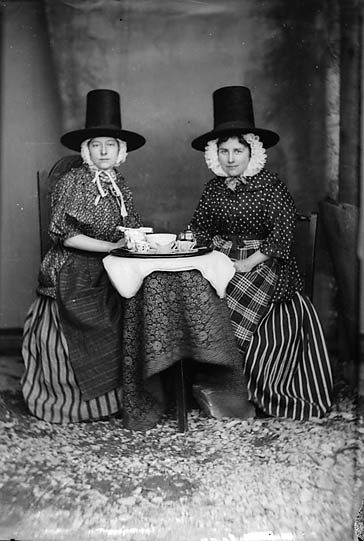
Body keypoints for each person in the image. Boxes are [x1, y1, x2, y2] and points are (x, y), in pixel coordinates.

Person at [189, 86, 333, 420]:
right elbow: (200, 226)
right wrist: (193, 243)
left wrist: (247, 262)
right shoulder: (213, 189)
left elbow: (282, 233)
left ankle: (250, 390)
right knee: (195, 294)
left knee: (240, 295)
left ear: (251, 152)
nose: (230, 158)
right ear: (215, 155)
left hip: (263, 262)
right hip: (221, 259)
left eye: (237, 150)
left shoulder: (271, 186)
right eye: (223, 151)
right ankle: (219, 385)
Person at [21, 89, 146, 423]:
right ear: (85, 149)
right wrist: (110, 248)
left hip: (108, 267)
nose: (102, 151)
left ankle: (109, 402)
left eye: (109, 144)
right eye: (95, 144)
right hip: (72, 269)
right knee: (81, 325)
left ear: (120, 150)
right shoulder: (74, 181)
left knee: (133, 306)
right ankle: (71, 404)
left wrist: (132, 240)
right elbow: (64, 234)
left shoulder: (120, 185)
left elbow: (128, 226)